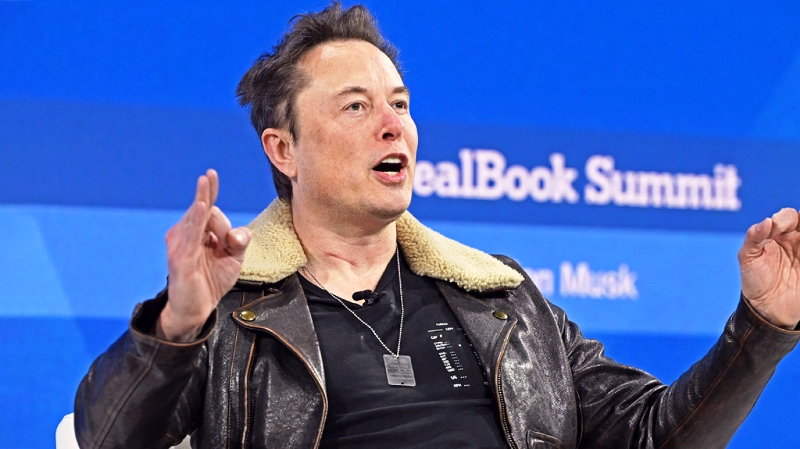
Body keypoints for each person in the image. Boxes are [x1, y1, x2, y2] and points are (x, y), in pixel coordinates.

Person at [74, 3, 800, 448]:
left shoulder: (502, 300)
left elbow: (651, 436)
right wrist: (177, 326)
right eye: (356, 106)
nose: (394, 124)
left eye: (400, 102)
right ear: (283, 150)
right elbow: (104, 440)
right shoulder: (231, 317)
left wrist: (763, 327)